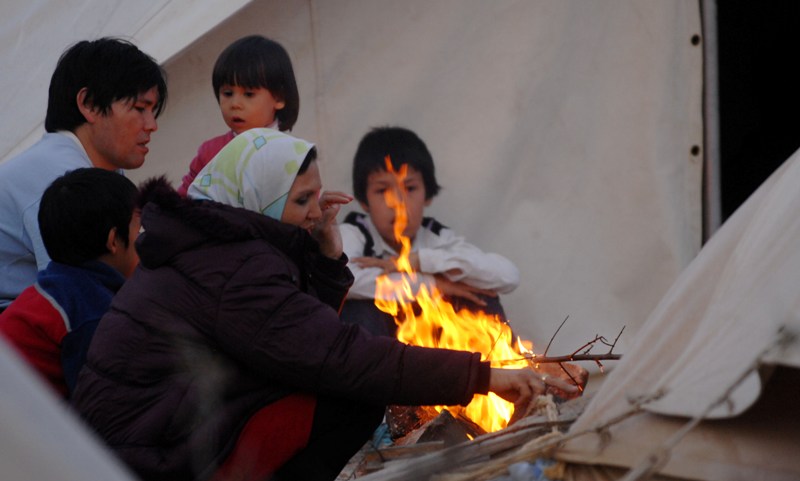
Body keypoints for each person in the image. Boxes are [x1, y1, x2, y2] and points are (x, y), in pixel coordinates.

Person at [71, 128, 584, 481]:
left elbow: (290, 331)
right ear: (260, 199)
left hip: (151, 432)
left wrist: (327, 250)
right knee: (352, 394)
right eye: (301, 201)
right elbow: (332, 356)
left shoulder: (215, 242)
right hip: (147, 458)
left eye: (319, 196)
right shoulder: (231, 265)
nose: (317, 210)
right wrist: (481, 377)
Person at [0, 37, 166, 311]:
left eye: (152, 110)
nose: (151, 125)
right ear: (88, 103)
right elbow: (81, 297)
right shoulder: (57, 178)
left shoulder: (99, 171)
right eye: (139, 109)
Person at [339, 126, 521, 337]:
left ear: (428, 195)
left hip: (432, 347)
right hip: (381, 353)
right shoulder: (354, 233)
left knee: (480, 296)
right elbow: (346, 281)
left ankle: (493, 366)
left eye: (409, 188)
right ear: (364, 201)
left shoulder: (436, 238)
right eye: (382, 191)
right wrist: (432, 284)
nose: (398, 203)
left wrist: (420, 261)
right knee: (358, 308)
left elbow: (508, 277)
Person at [0, 168, 140, 398]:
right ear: (114, 241)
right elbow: (103, 405)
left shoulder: (62, 284)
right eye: (139, 228)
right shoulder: (91, 314)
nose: (145, 238)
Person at [176, 35, 299, 196]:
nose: (235, 104)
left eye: (248, 94)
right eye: (227, 93)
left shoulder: (293, 154)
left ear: (279, 98)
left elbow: (306, 207)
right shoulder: (210, 152)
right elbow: (181, 201)